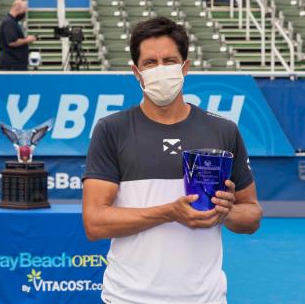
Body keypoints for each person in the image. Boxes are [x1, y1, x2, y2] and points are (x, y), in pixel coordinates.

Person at [82, 17, 262, 304]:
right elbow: (95, 223)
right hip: (128, 298)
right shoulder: (111, 130)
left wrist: (225, 212)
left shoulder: (223, 130)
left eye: (169, 60)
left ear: (185, 67)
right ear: (135, 71)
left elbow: (251, 215)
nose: (160, 70)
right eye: (150, 63)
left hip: (205, 299)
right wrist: (169, 212)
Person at [0, 0, 36, 70]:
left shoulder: (13, 22)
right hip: (11, 64)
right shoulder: (9, 22)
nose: (24, 13)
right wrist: (27, 40)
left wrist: (26, 39)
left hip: (16, 64)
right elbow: (12, 42)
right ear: (18, 8)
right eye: (24, 10)